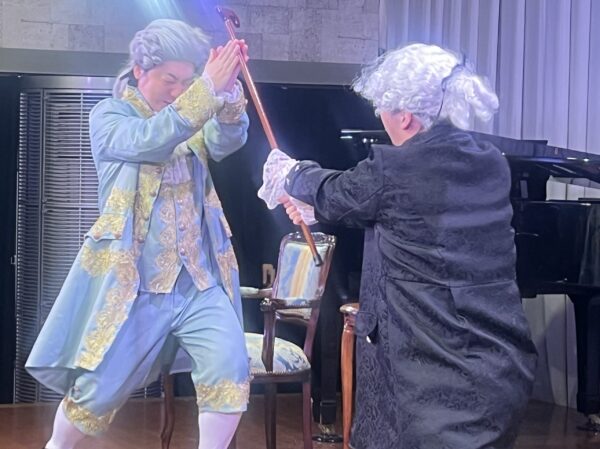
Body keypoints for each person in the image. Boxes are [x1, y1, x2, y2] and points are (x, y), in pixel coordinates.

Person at [258, 43, 538, 449]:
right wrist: (315, 206)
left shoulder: (397, 167)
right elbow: (408, 215)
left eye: (383, 109)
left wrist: (292, 174)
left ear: (405, 115)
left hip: (430, 375)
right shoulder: (489, 161)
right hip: (496, 366)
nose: (380, 117)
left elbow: (339, 193)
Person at [26, 19, 251, 449]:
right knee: (97, 391)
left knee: (229, 367)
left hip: (199, 282)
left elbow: (226, 141)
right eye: (170, 79)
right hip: (135, 287)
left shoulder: (192, 112)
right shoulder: (110, 117)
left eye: (187, 81)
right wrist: (206, 88)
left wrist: (226, 93)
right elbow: (151, 140)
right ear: (139, 71)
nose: (179, 90)